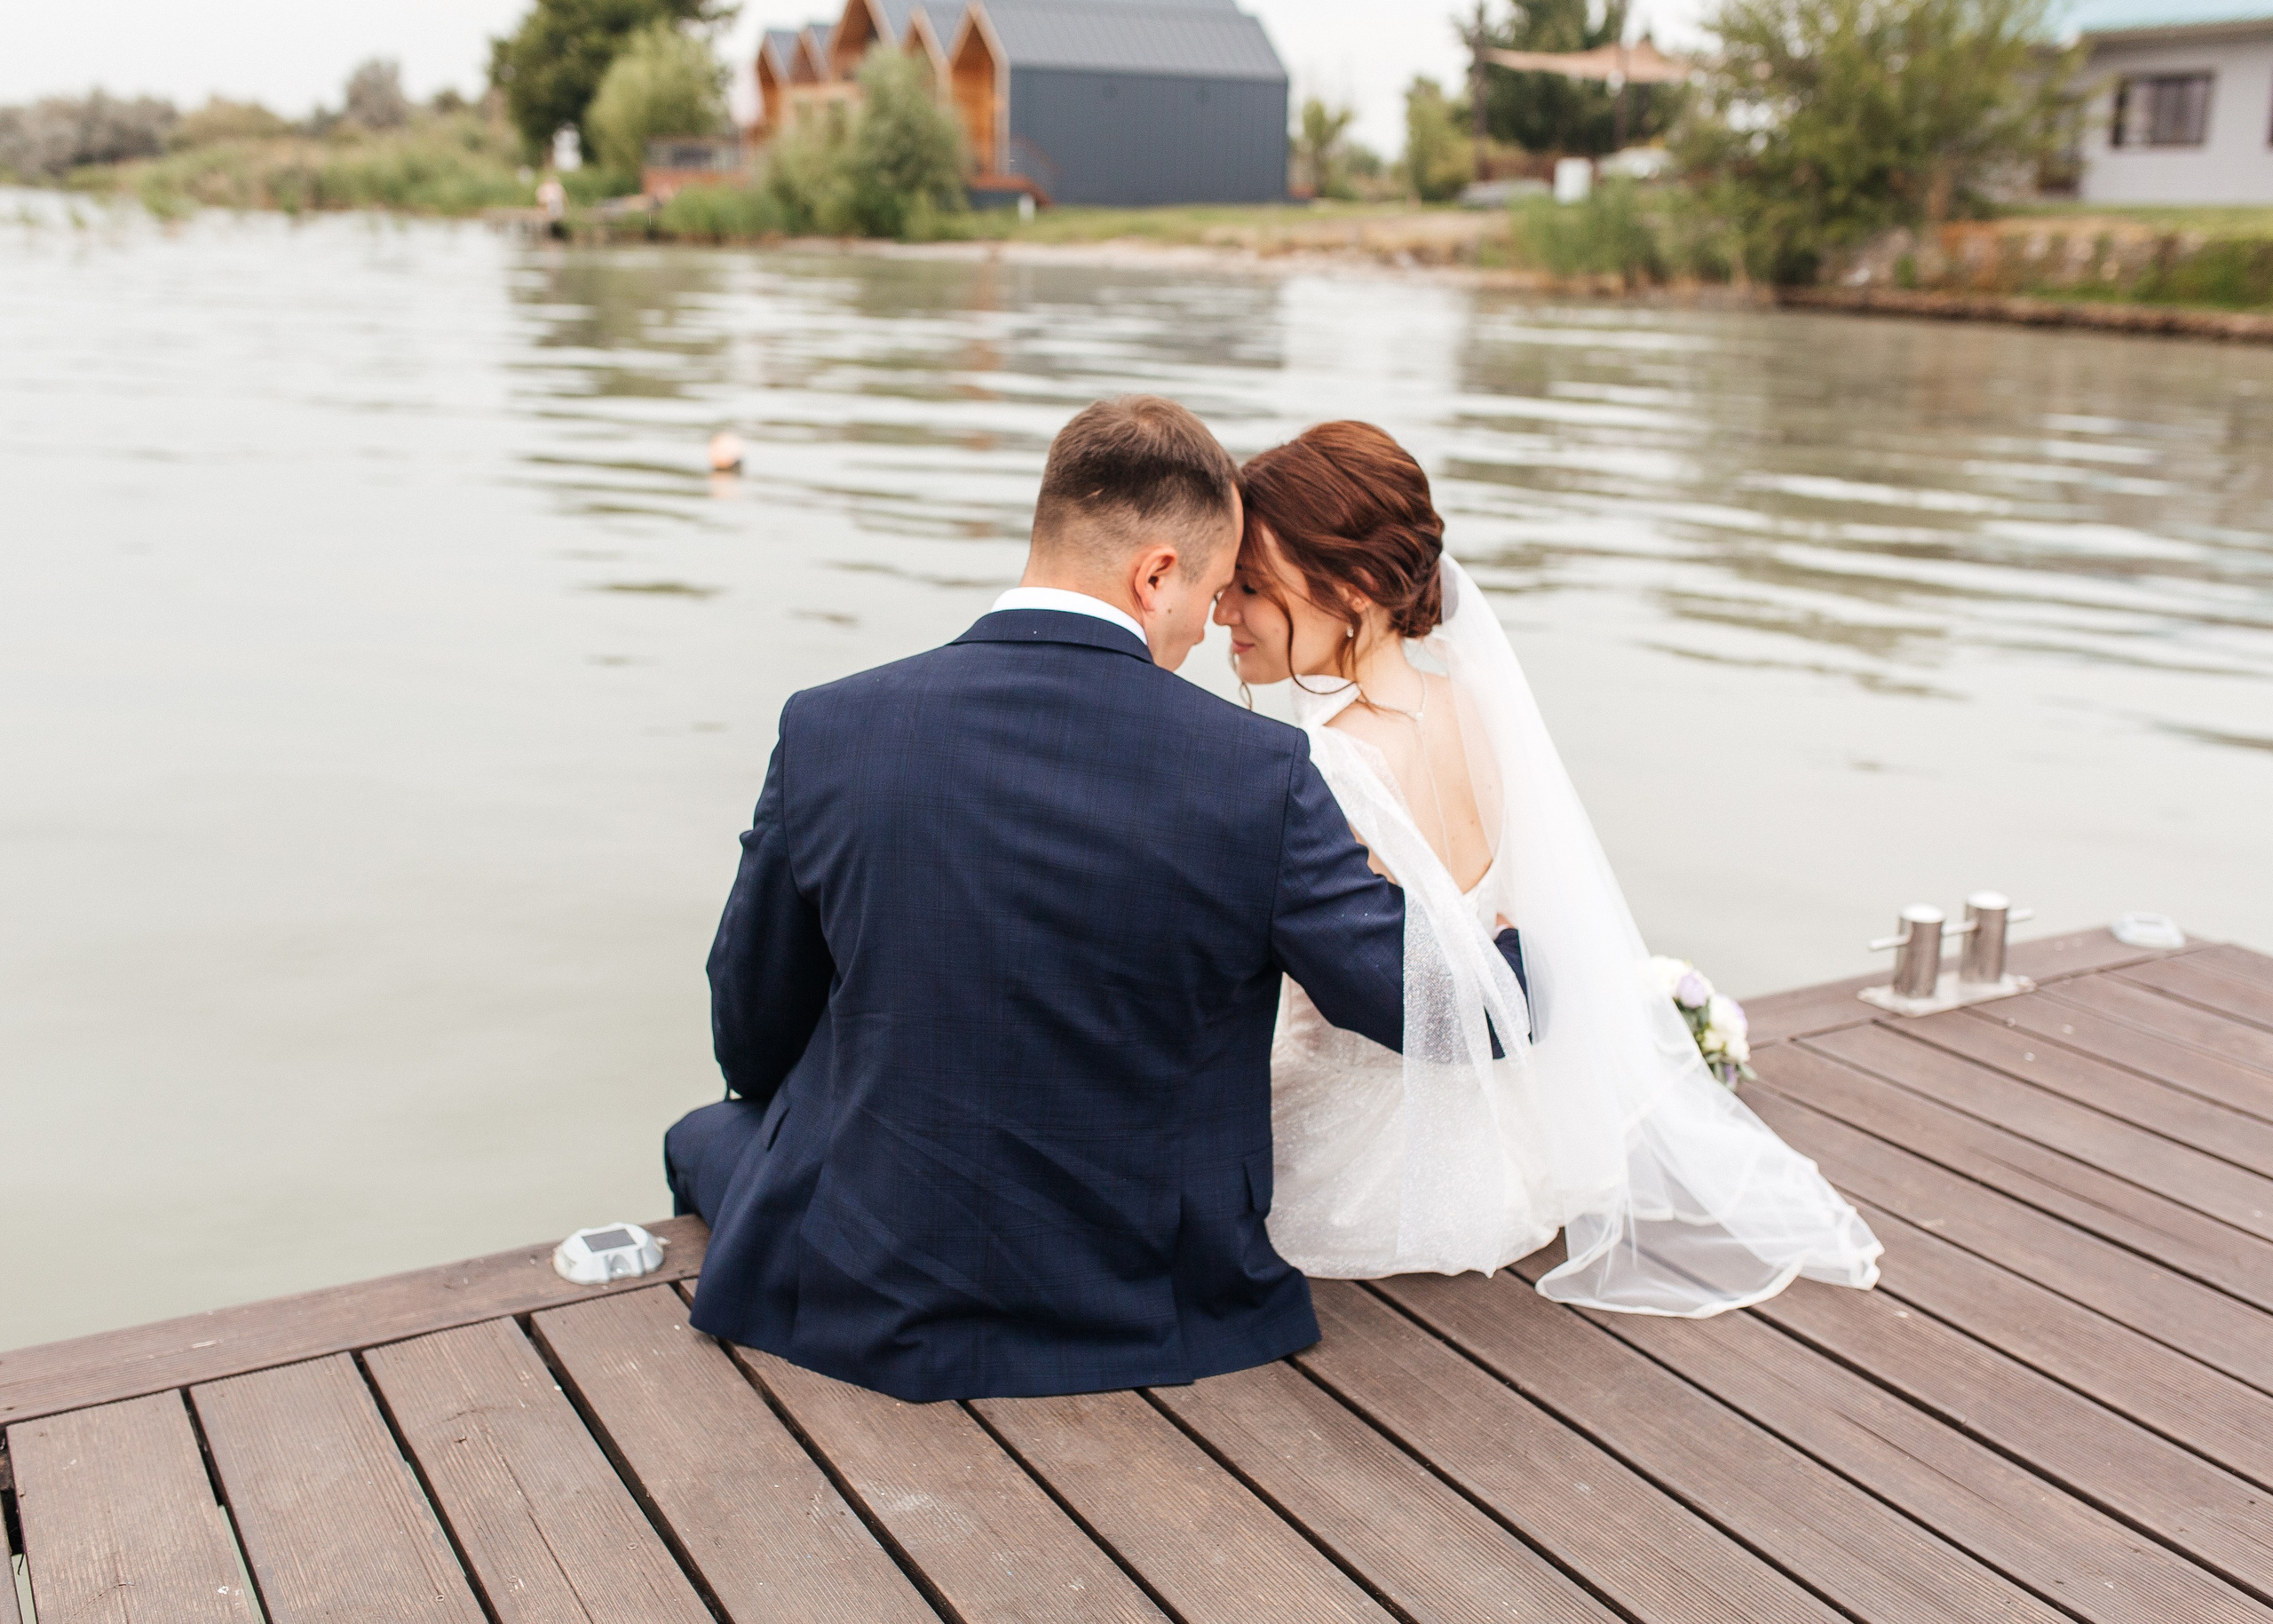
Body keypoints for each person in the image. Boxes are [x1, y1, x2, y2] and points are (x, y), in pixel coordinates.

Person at [667, 397, 1532, 1402]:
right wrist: (1526, 960)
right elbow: (1416, 1001)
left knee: (706, 1133)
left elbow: (751, 1018)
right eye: (1211, 592)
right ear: (1155, 570)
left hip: (875, 1281)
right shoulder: (1259, 771)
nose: (1212, 627)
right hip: (1155, 1296)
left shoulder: (828, 728)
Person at [1215, 421, 1882, 1312]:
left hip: (1365, 1170)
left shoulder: (1321, 767)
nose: (1224, 612)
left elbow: (1363, 986)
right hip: (1521, 1151)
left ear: (1357, 586)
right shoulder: (1480, 699)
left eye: (1249, 587)